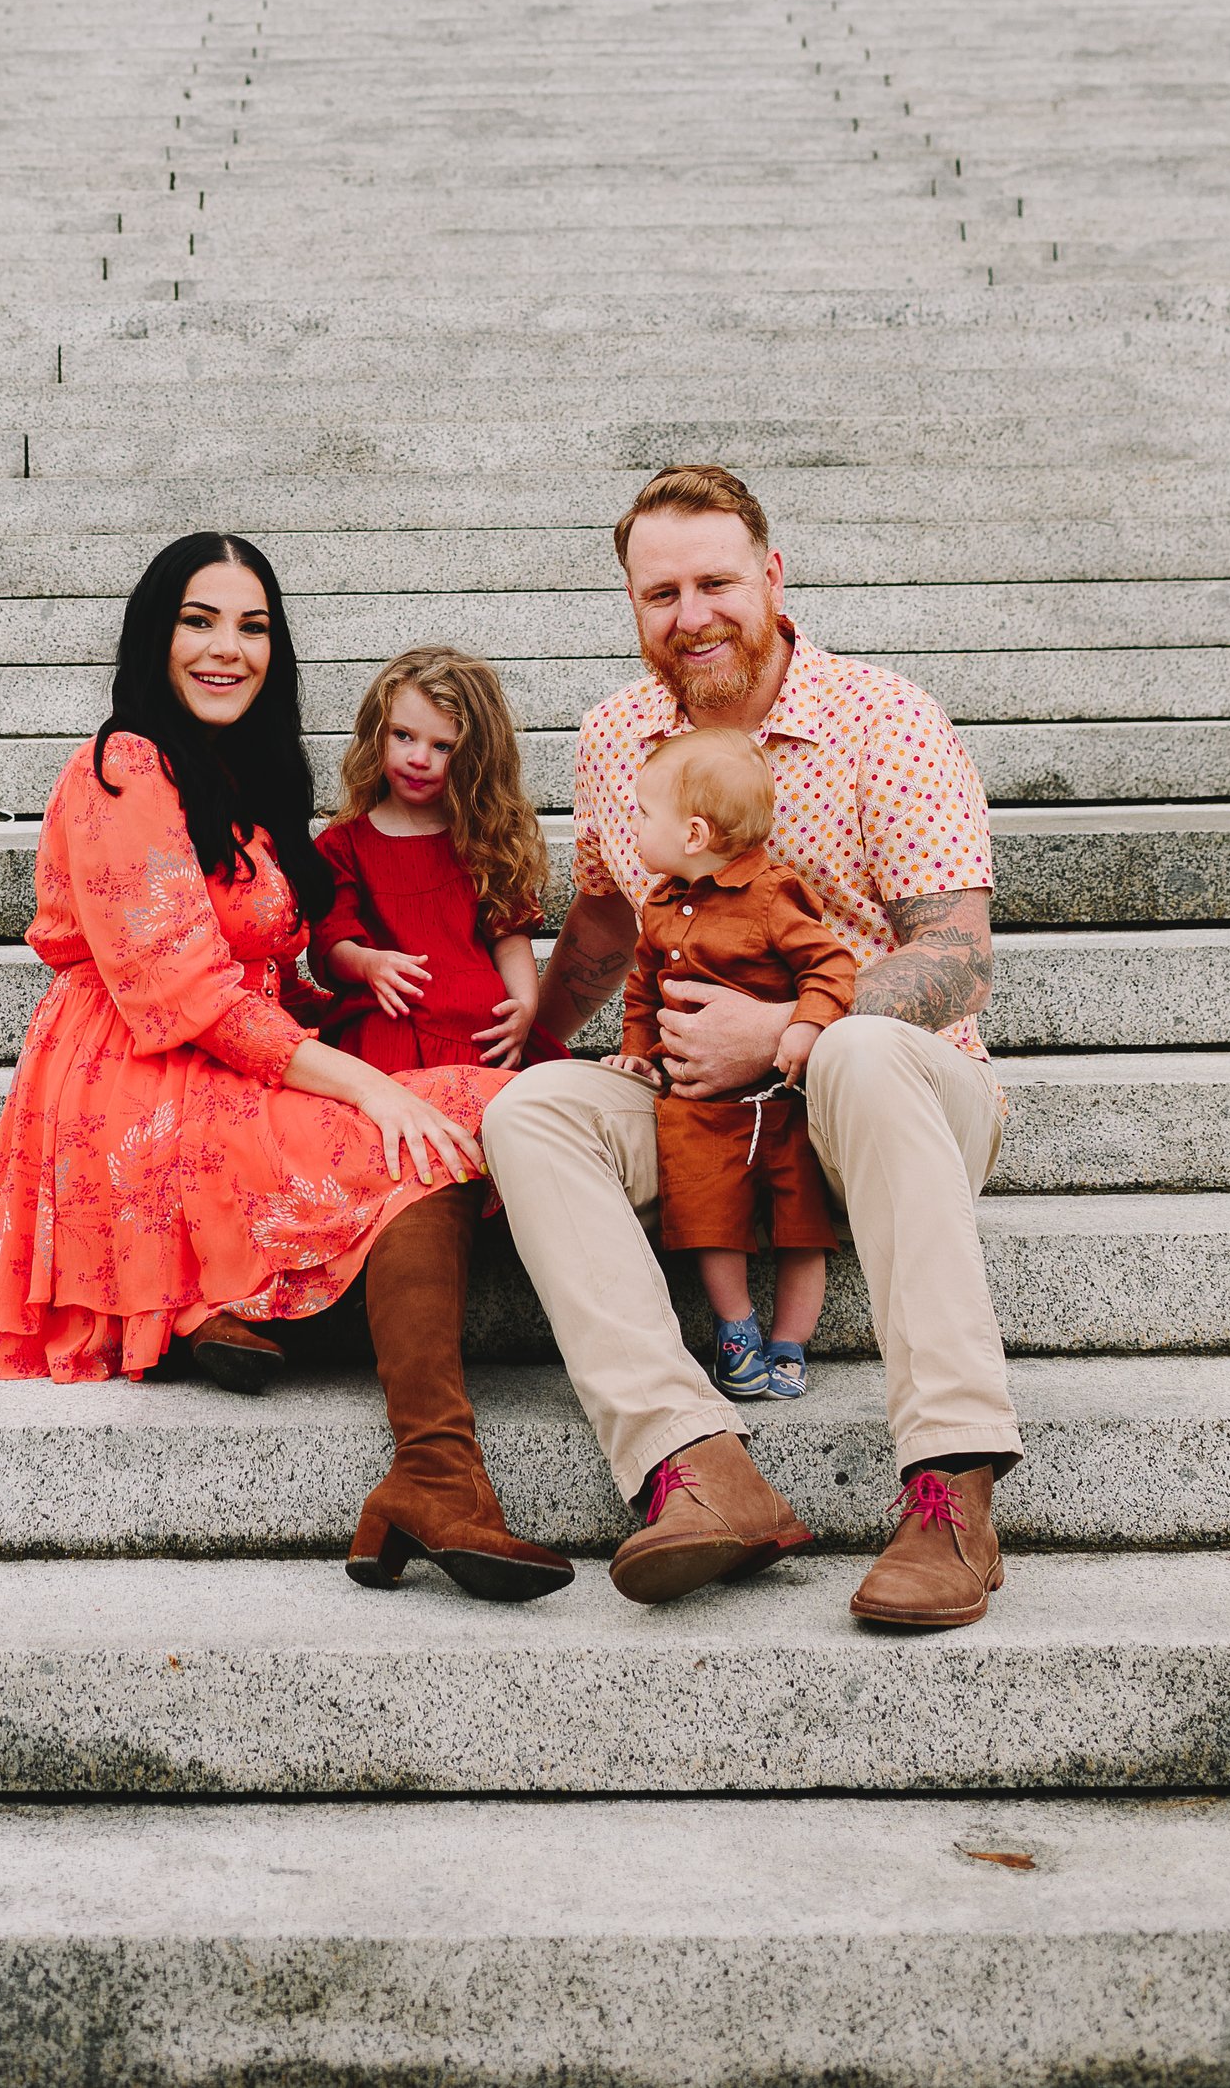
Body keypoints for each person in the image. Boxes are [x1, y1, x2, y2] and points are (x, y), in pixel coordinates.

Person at [0, 531, 572, 1602]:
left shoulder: (245, 780)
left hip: (227, 1059)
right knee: (418, 1119)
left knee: (450, 1117)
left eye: (252, 626)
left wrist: (344, 1021)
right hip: (131, 1079)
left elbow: (275, 974)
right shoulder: (121, 767)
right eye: (200, 620)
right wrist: (360, 1078)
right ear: (158, 632)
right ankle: (429, 1466)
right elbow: (182, 990)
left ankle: (425, 1471)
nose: (226, 648)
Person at [482, 461, 1021, 1632]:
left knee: (859, 1052)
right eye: (658, 592)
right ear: (631, 605)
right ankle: (698, 1469)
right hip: (708, 1118)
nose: (691, 615)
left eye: (715, 580)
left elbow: (962, 952)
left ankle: (950, 1487)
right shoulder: (616, 737)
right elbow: (605, 917)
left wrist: (788, 1031)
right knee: (529, 1114)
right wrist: (527, 1041)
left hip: (897, 1105)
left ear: (772, 577)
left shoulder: (884, 718)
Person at [598, 721, 858, 1405]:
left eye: (643, 814)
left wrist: (806, 1023)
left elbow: (830, 964)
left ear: (693, 835)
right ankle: (736, 1327)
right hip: (699, 1111)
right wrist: (637, 1050)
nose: (633, 825)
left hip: (779, 1101)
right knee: (710, 1216)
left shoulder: (773, 896)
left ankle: (792, 1341)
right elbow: (641, 985)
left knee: (801, 1228)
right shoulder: (658, 905)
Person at [309, 647, 554, 1075]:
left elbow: (509, 936)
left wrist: (525, 1006)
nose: (418, 759)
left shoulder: (484, 839)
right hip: (390, 1029)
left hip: (480, 1035)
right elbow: (332, 943)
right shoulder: (343, 845)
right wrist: (369, 964)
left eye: (443, 746)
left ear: (475, 758)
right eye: (402, 735)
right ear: (376, 732)